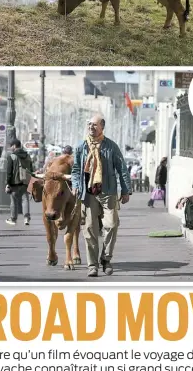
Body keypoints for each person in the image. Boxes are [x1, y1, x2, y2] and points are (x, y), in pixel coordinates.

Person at [71, 113, 132, 277]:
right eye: (89, 124)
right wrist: (76, 185)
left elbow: (122, 169)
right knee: (90, 229)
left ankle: (106, 258)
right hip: (88, 193)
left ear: (102, 127)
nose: (91, 127)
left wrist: (126, 190)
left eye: (95, 125)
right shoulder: (81, 147)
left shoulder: (111, 146)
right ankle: (92, 265)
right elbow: (76, 170)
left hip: (108, 192)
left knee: (112, 225)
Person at [5, 139, 33, 226]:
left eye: (11, 146)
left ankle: (13, 219)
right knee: (25, 200)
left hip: (15, 182)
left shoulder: (12, 156)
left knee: (14, 201)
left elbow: (9, 172)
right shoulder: (27, 156)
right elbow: (31, 169)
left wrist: (8, 184)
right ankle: (26, 218)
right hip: (25, 181)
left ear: (14, 146)